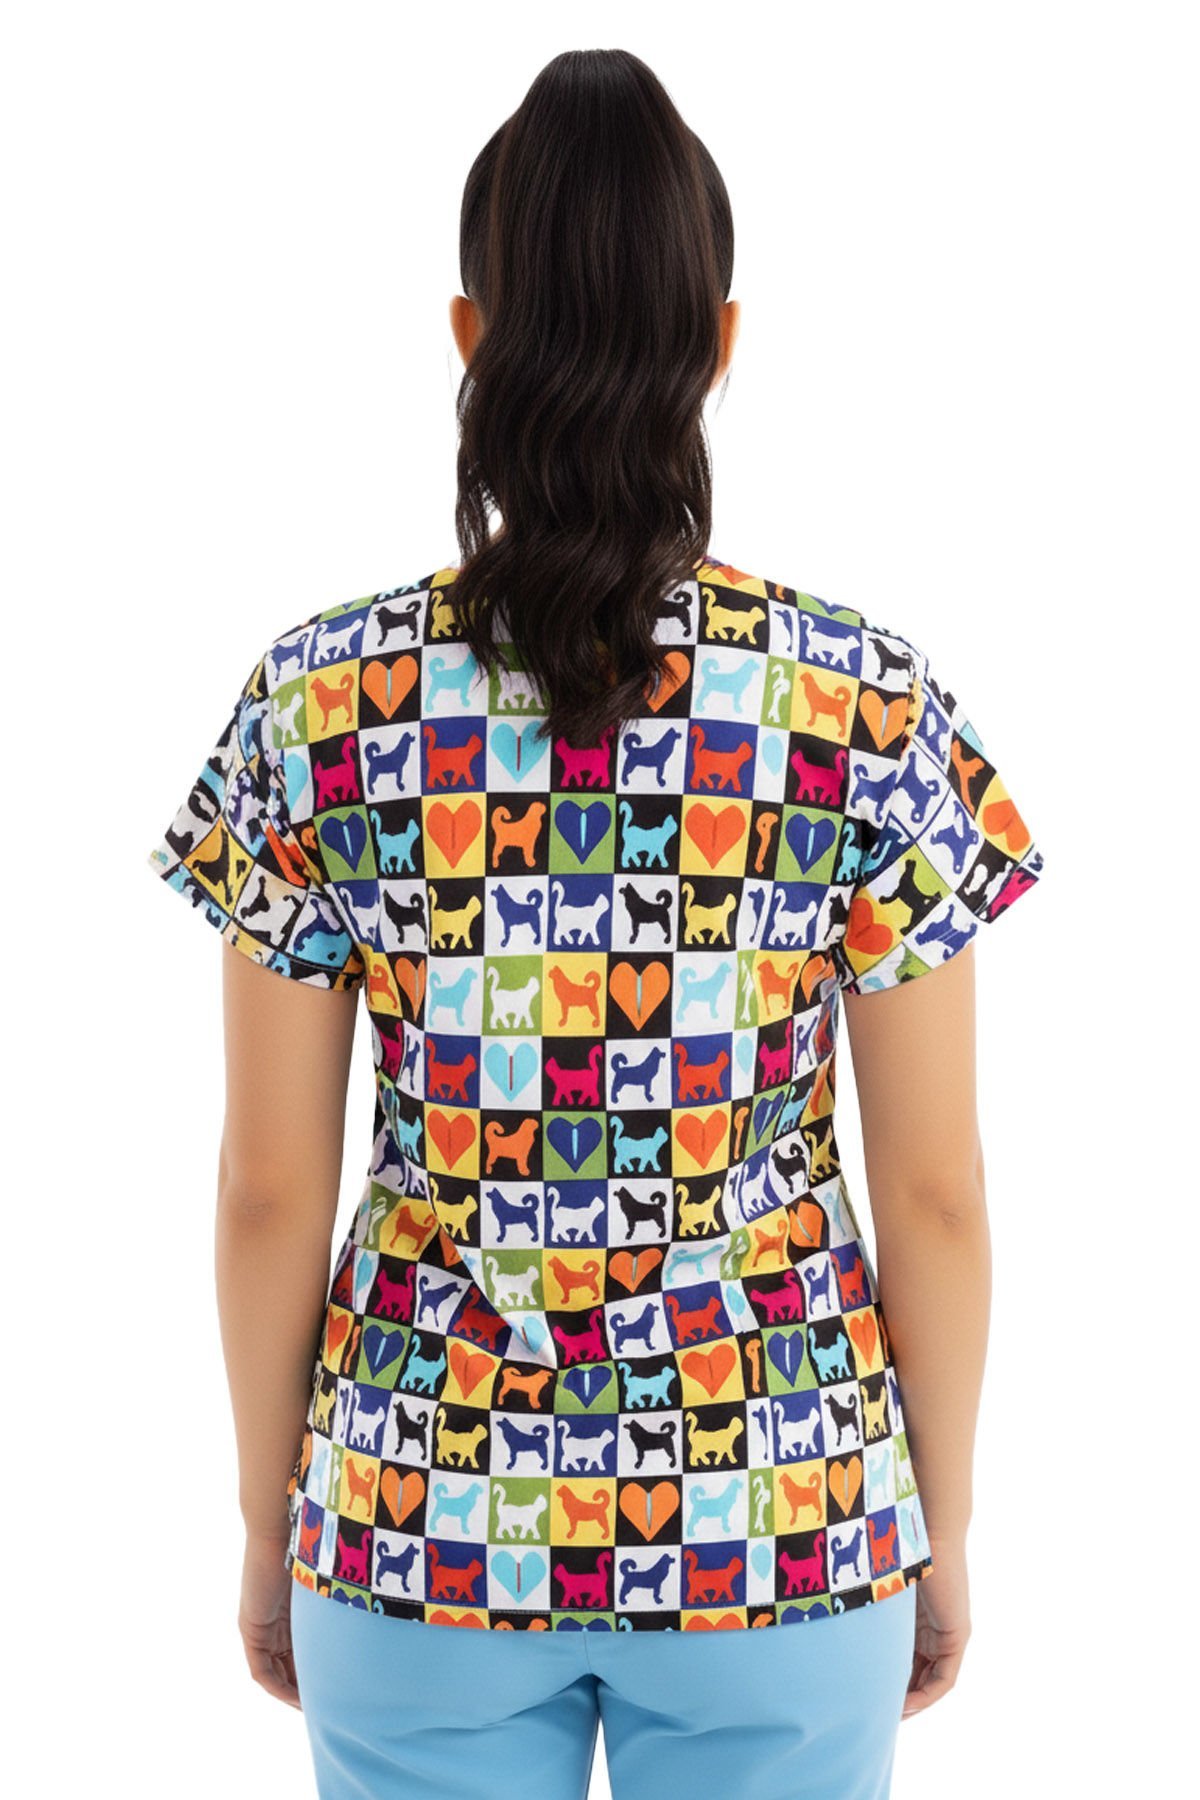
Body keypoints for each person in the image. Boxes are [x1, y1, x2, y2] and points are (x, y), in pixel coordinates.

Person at [146, 47, 1045, 1800]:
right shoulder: (857, 703)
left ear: (468, 338)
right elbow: (936, 1186)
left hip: (419, 1519)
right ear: (720, 344)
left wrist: (274, 1526)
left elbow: (267, 1187)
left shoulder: (319, 705)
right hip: (783, 1517)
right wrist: (933, 1525)